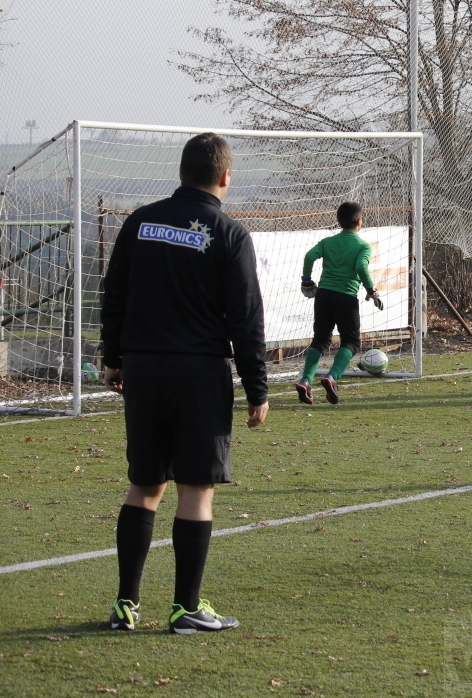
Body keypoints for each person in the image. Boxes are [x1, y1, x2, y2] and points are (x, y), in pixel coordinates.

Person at [100, 132, 269, 634]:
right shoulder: (230, 233)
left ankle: (125, 605)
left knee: (144, 485)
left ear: (181, 172)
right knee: (196, 489)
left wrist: (113, 358)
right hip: (198, 374)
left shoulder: (139, 221)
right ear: (225, 177)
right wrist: (257, 388)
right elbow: (246, 320)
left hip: (145, 371)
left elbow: (115, 295)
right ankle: (186, 609)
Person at [295, 202, 383, 405]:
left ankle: (305, 380)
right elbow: (361, 265)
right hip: (346, 296)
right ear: (359, 221)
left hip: (323, 295)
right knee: (351, 342)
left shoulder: (327, 242)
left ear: (339, 221)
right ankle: (332, 377)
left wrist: (307, 280)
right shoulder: (362, 246)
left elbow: (309, 256)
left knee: (321, 339)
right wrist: (371, 290)